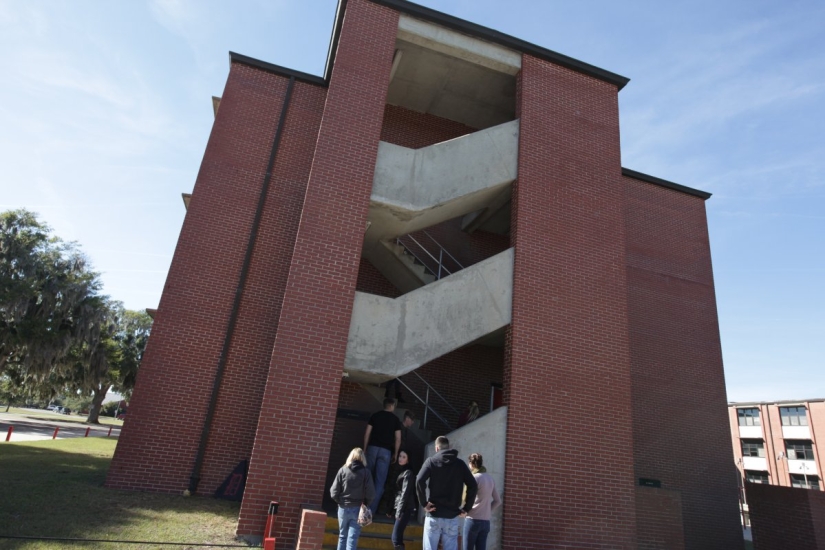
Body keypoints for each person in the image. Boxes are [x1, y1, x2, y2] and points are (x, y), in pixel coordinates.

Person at [416, 436, 478, 550]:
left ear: (436, 448)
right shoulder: (460, 464)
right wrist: (466, 508)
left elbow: (419, 480)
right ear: (449, 447)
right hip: (452, 516)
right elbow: (473, 485)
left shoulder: (431, 461)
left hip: (434, 514)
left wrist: (424, 503)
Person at [330, 447, 375, 550]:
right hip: (358, 509)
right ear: (362, 458)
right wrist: (366, 504)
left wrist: (340, 501)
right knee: (352, 539)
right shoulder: (366, 472)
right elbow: (371, 493)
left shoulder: (343, 470)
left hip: (343, 508)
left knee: (342, 536)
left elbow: (333, 492)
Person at [364, 398, 403, 515]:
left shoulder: (375, 416)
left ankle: (361, 507)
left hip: (372, 448)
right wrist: (396, 453)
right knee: (380, 482)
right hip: (386, 451)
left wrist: (365, 448)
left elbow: (367, 433)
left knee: (366, 477)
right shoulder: (396, 420)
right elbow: (398, 439)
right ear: (392, 406)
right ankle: (370, 511)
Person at [463, 453, 501, 550]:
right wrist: (487, 510)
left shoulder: (474, 478)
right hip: (485, 521)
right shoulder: (490, 479)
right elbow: (497, 501)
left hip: (472, 519)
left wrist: (465, 510)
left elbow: (466, 498)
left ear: (471, 463)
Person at [391, 450, 416, 550]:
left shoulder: (408, 473)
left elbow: (404, 494)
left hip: (405, 508)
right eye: (400, 456)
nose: (400, 458)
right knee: (398, 537)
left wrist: (399, 511)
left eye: (404, 457)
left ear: (408, 460)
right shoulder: (401, 471)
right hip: (402, 507)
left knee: (395, 538)